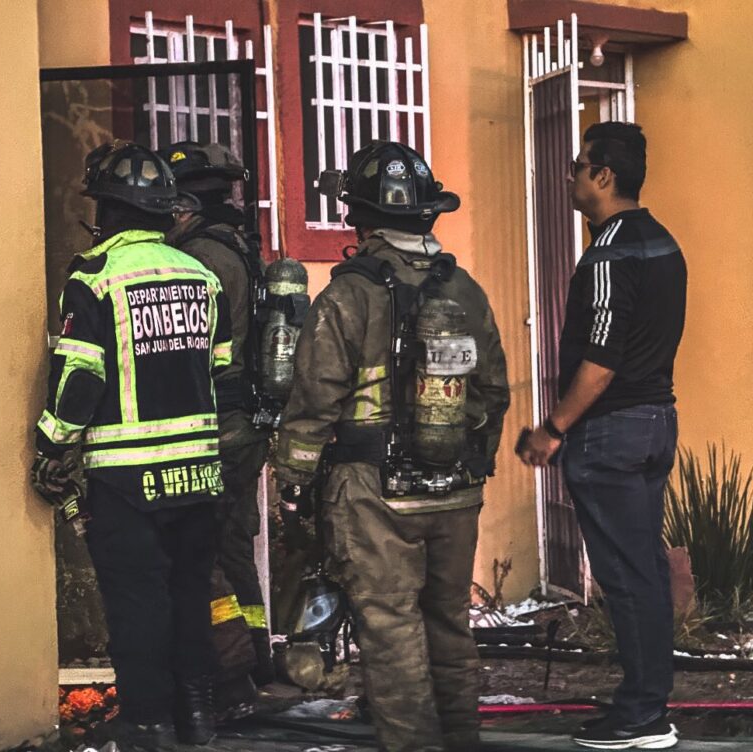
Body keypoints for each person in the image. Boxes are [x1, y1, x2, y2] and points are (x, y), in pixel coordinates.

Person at [273, 140, 510, 752]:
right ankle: (461, 740)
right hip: (455, 490)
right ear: (429, 213)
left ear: (360, 217)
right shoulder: (465, 290)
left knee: (390, 627)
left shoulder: (347, 294)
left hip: (374, 493)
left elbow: (314, 400)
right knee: (449, 623)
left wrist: (293, 482)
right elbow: (493, 391)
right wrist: (470, 464)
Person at [31, 141, 233, 751]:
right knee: (190, 594)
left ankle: (148, 723)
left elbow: (81, 378)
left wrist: (49, 442)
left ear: (111, 212)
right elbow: (218, 364)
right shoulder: (202, 276)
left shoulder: (93, 278)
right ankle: (196, 716)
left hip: (127, 478)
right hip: (199, 472)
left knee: (137, 602)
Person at [518, 121, 686, 750]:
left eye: (576, 165)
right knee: (643, 570)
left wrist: (551, 430)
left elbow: (602, 359)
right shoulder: (663, 243)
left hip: (612, 433)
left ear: (604, 175)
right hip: (655, 423)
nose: (569, 175)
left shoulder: (612, 252)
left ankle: (642, 716)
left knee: (625, 574)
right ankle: (649, 708)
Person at [160, 141, 276, 692]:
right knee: (235, 548)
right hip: (247, 424)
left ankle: (230, 679)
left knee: (204, 556)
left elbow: (192, 353)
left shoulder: (199, 260)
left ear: (185, 206)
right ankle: (257, 658)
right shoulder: (240, 248)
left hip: (218, 425)